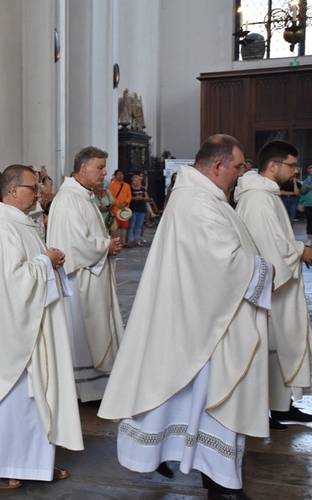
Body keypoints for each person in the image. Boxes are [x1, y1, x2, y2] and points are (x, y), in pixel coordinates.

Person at [98, 134, 273, 499]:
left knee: (202, 399)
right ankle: (219, 481)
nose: (242, 174)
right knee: (210, 398)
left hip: (206, 315)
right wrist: (265, 270)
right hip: (203, 322)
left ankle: (217, 476)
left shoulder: (201, 196)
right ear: (218, 166)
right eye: (239, 166)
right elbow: (223, 261)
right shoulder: (196, 201)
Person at [0, 164, 83, 490]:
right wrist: (45, 261)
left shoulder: (21, 223)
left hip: (31, 327)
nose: (37, 194)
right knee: (11, 399)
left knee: (35, 398)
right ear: (13, 191)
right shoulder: (2, 228)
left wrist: (48, 259)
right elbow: (12, 282)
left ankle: (34, 465)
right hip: (10, 333)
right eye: (32, 188)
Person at [234, 140, 312, 430]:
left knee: (278, 346)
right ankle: (265, 410)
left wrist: (295, 248)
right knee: (268, 346)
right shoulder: (257, 198)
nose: (295, 171)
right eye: (291, 165)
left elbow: (276, 240)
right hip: (270, 288)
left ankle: (282, 406)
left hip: (278, 285)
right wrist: (301, 251)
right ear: (273, 165)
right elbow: (267, 246)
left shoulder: (266, 195)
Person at [47, 147, 123, 402]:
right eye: (100, 167)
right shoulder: (69, 198)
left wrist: (105, 245)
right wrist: (106, 246)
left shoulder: (83, 196)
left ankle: (97, 386)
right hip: (79, 282)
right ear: (83, 168)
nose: (104, 173)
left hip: (91, 275)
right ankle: (85, 389)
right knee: (83, 331)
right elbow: (76, 244)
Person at [109, 169, 131, 246]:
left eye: (121, 174)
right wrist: (119, 204)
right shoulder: (112, 185)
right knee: (115, 227)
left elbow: (129, 196)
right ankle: (116, 242)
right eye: (118, 174)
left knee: (124, 227)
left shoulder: (127, 185)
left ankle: (124, 242)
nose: (120, 176)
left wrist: (125, 203)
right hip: (116, 209)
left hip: (125, 210)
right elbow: (112, 196)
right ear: (115, 176)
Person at [127, 173, 149, 247]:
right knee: (131, 225)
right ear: (132, 181)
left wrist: (142, 198)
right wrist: (135, 198)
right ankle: (130, 239)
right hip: (133, 208)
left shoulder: (143, 189)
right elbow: (128, 197)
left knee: (139, 225)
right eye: (135, 180)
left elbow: (147, 197)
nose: (137, 182)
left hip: (141, 209)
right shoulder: (129, 188)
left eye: (138, 180)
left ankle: (137, 239)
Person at [301, 164, 312, 245]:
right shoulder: (305, 181)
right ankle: (309, 240)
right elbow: (302, 192)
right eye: (310, 170)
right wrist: (307, 188)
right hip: (308, 204)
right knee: (309, 222)